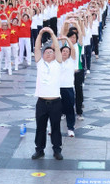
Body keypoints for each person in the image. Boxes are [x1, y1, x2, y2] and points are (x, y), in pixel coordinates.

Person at [32, 27, 64, 160]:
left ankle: (57, 150)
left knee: (55, 127)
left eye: (51, 52)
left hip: (56, 101)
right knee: (40, 127)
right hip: (41, 101)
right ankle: (39, 150)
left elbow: (57, 47)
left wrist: (51, 33)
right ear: (43, 55)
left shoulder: (58, 63)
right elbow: (37, 48)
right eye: (47, 52)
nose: (49, 53)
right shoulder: (40, 63)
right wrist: (40, 34)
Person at [59, 39, 77, 137]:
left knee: (70, 109)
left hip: (68, 88)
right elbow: (53, 48)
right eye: (63, 51)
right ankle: (53, 128)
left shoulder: (72, 61)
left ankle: (70, 128)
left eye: (67, 51)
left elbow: (73, 49)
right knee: (56, 110)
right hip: (57, 88)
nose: (65, 53)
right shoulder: (57, 61)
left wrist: (67, 39)